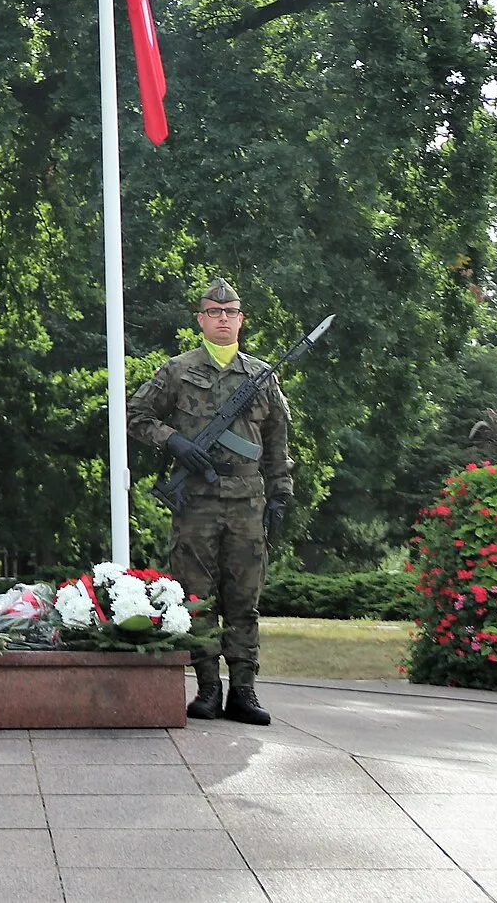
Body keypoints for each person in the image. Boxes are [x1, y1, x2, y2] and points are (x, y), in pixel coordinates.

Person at [127, 278, 293, 725]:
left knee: (244, 600)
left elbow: (277, 442)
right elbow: (134, 415)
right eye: (214, 312)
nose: (223, 319)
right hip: (196, 500)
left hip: (247, 501)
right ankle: (207, 688)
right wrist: (175, 441)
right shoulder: (177, 370)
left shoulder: (261, 376)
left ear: (241, 320)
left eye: (231, 312)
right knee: (196, 599)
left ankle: (244, 691)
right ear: (201, 320)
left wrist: (280, 493)